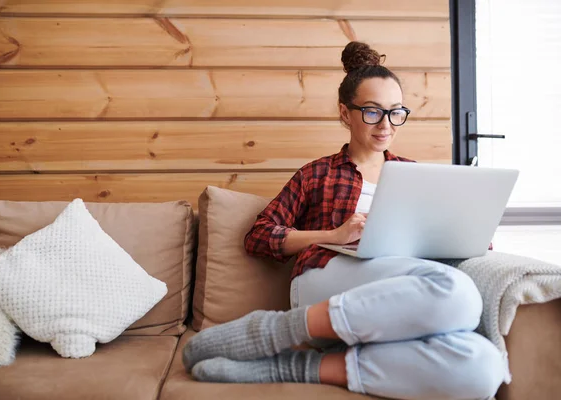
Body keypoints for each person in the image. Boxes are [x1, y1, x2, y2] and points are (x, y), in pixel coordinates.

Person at [182, 41, 505, 399]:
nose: (386, 125)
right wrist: (334, 234)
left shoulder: (417, 176)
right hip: (327, 274)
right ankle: (279, 329)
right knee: (457, 293)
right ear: (344, 113)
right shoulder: (317, 174)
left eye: (396, 112)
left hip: (402, 292)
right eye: (372, 112)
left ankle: (295, 366)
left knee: (483, 368)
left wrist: (467, 229)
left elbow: (468, 243)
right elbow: (260, 236)